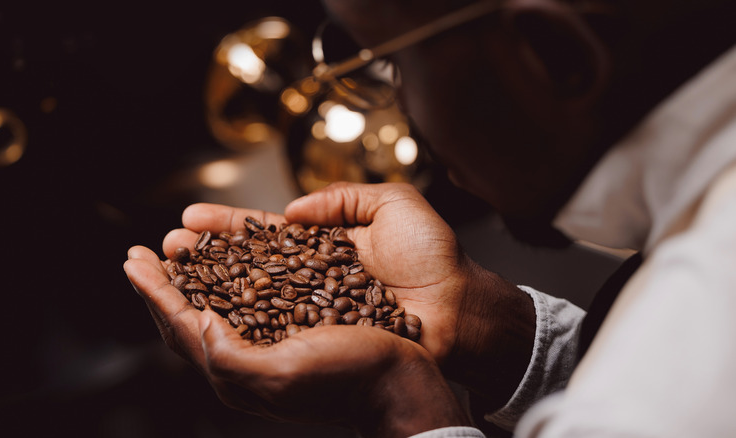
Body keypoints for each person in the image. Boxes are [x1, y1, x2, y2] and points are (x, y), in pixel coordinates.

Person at [123, 0, 736, 436]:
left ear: (557, 55)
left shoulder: (665, 393)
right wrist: (490, 331)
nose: (401, 110)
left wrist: (395, 407)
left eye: (393, 61)